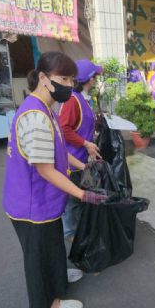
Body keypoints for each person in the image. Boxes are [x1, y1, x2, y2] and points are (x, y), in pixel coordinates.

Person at [2, 51, 108, 308]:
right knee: (38, 256)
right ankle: (47, 306)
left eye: (72, 79)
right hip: (31, 204)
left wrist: (83, 166)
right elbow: (45, 170)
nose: (69, 85)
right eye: (63, 78)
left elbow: (58, 149)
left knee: (52, 246)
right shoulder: (36, 117)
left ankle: (58, 275)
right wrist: (83, 194)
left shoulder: (45, 109)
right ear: (43, 78)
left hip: (43, 201)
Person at [58, 59, 103, 240]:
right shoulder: (72, 100)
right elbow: (63, 127)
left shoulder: (83, 98)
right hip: (72, 158)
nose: (97, 79)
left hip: (81, 158)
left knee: (77, 198)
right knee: (72, 200)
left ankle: (75, 230)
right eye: (95, 76)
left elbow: (81, 122)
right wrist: (85, 143)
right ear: (90, 79)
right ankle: (70, 234)